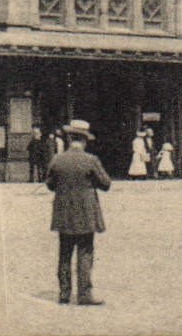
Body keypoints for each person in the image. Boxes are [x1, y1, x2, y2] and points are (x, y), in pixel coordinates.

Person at [45, 118, 111, 306]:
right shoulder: (90, 160)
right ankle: (84, 294)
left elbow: (50, 184)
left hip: (63, 213)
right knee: (85, 252)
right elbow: (106, 183)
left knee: (64, 253)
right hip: (85, 213)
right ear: (84, 140)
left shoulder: (57, 159)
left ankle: (64, 294)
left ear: (69, 139)